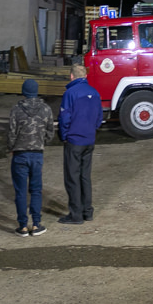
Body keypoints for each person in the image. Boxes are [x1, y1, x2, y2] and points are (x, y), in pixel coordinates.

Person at [57, 64, 103, 225]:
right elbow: (99, 117)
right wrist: (91, 130)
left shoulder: (70, 93)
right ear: (85, 76)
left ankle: (75, 215)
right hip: (89, 140)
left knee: (72, 178)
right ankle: (87, 212)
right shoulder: (95, 93)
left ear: (71, 76)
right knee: (85, 177)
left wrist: (64, 136)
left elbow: (64, 118)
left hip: (74, 141)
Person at [7, 79, 54, 237]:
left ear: (24, 91)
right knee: (36, 190)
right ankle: (36, 224)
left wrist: (12, 148)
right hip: (37, 154)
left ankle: (22, 226)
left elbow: (11, 133)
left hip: (20, 155)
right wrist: (41, 142)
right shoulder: (46, 109)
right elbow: (50, 132)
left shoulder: (16, 110)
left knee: (20, 191)